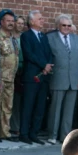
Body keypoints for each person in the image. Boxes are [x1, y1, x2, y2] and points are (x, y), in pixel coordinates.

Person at [45, 14, 78, 144]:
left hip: (73, 79)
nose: (66, 28)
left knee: (69, 110)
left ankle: (65, 136)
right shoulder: (50, 38)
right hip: (57, 77)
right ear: (58, 26)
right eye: (64, 25)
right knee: (55, 109)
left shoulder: (77, 39)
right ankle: (52, 134)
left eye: (69, 25)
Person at [19, 10, 53, 145]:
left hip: (44, 76)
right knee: (28, 105)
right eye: (40, 19)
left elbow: (49, 52)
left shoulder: (43, 36)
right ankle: (24, 133)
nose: (42, 21)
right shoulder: (26, 36)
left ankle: (34, 133)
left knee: (40, 106)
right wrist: (43, 65)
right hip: (32, 76)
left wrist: (48, 65)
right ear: (32, 21)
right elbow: (29, 54)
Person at [0, 9, 19, 142]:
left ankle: (5, 132)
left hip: (10, 77)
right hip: (0, 77)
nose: (11, 23)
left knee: (8, 106)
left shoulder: (13, 38)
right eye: (8, 21)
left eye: (12, 21)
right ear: (1, 22)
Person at [10, 15, 26, 141]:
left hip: (23, 71)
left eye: (22, 23)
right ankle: (12, 126)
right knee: (12, 100)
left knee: (20, 101)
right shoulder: (10, 37)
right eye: (18, 23)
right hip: (11, 71)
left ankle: (18, 126)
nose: (20, 25)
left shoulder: (25, 38)